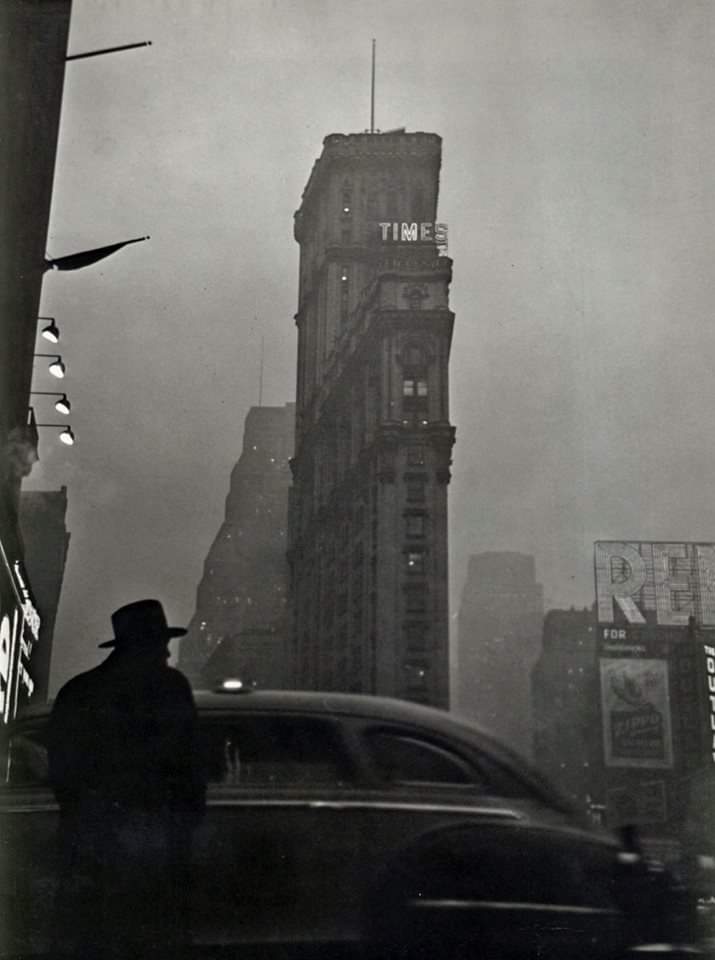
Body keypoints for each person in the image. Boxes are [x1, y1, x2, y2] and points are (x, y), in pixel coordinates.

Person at [47, 599, 206, 959]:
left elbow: (62, 775)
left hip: (91, 847)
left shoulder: (78, 692)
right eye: (161, 642)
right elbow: (192, 767)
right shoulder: (170, 688)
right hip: (154, 846)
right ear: (146, 645)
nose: (167, 651)